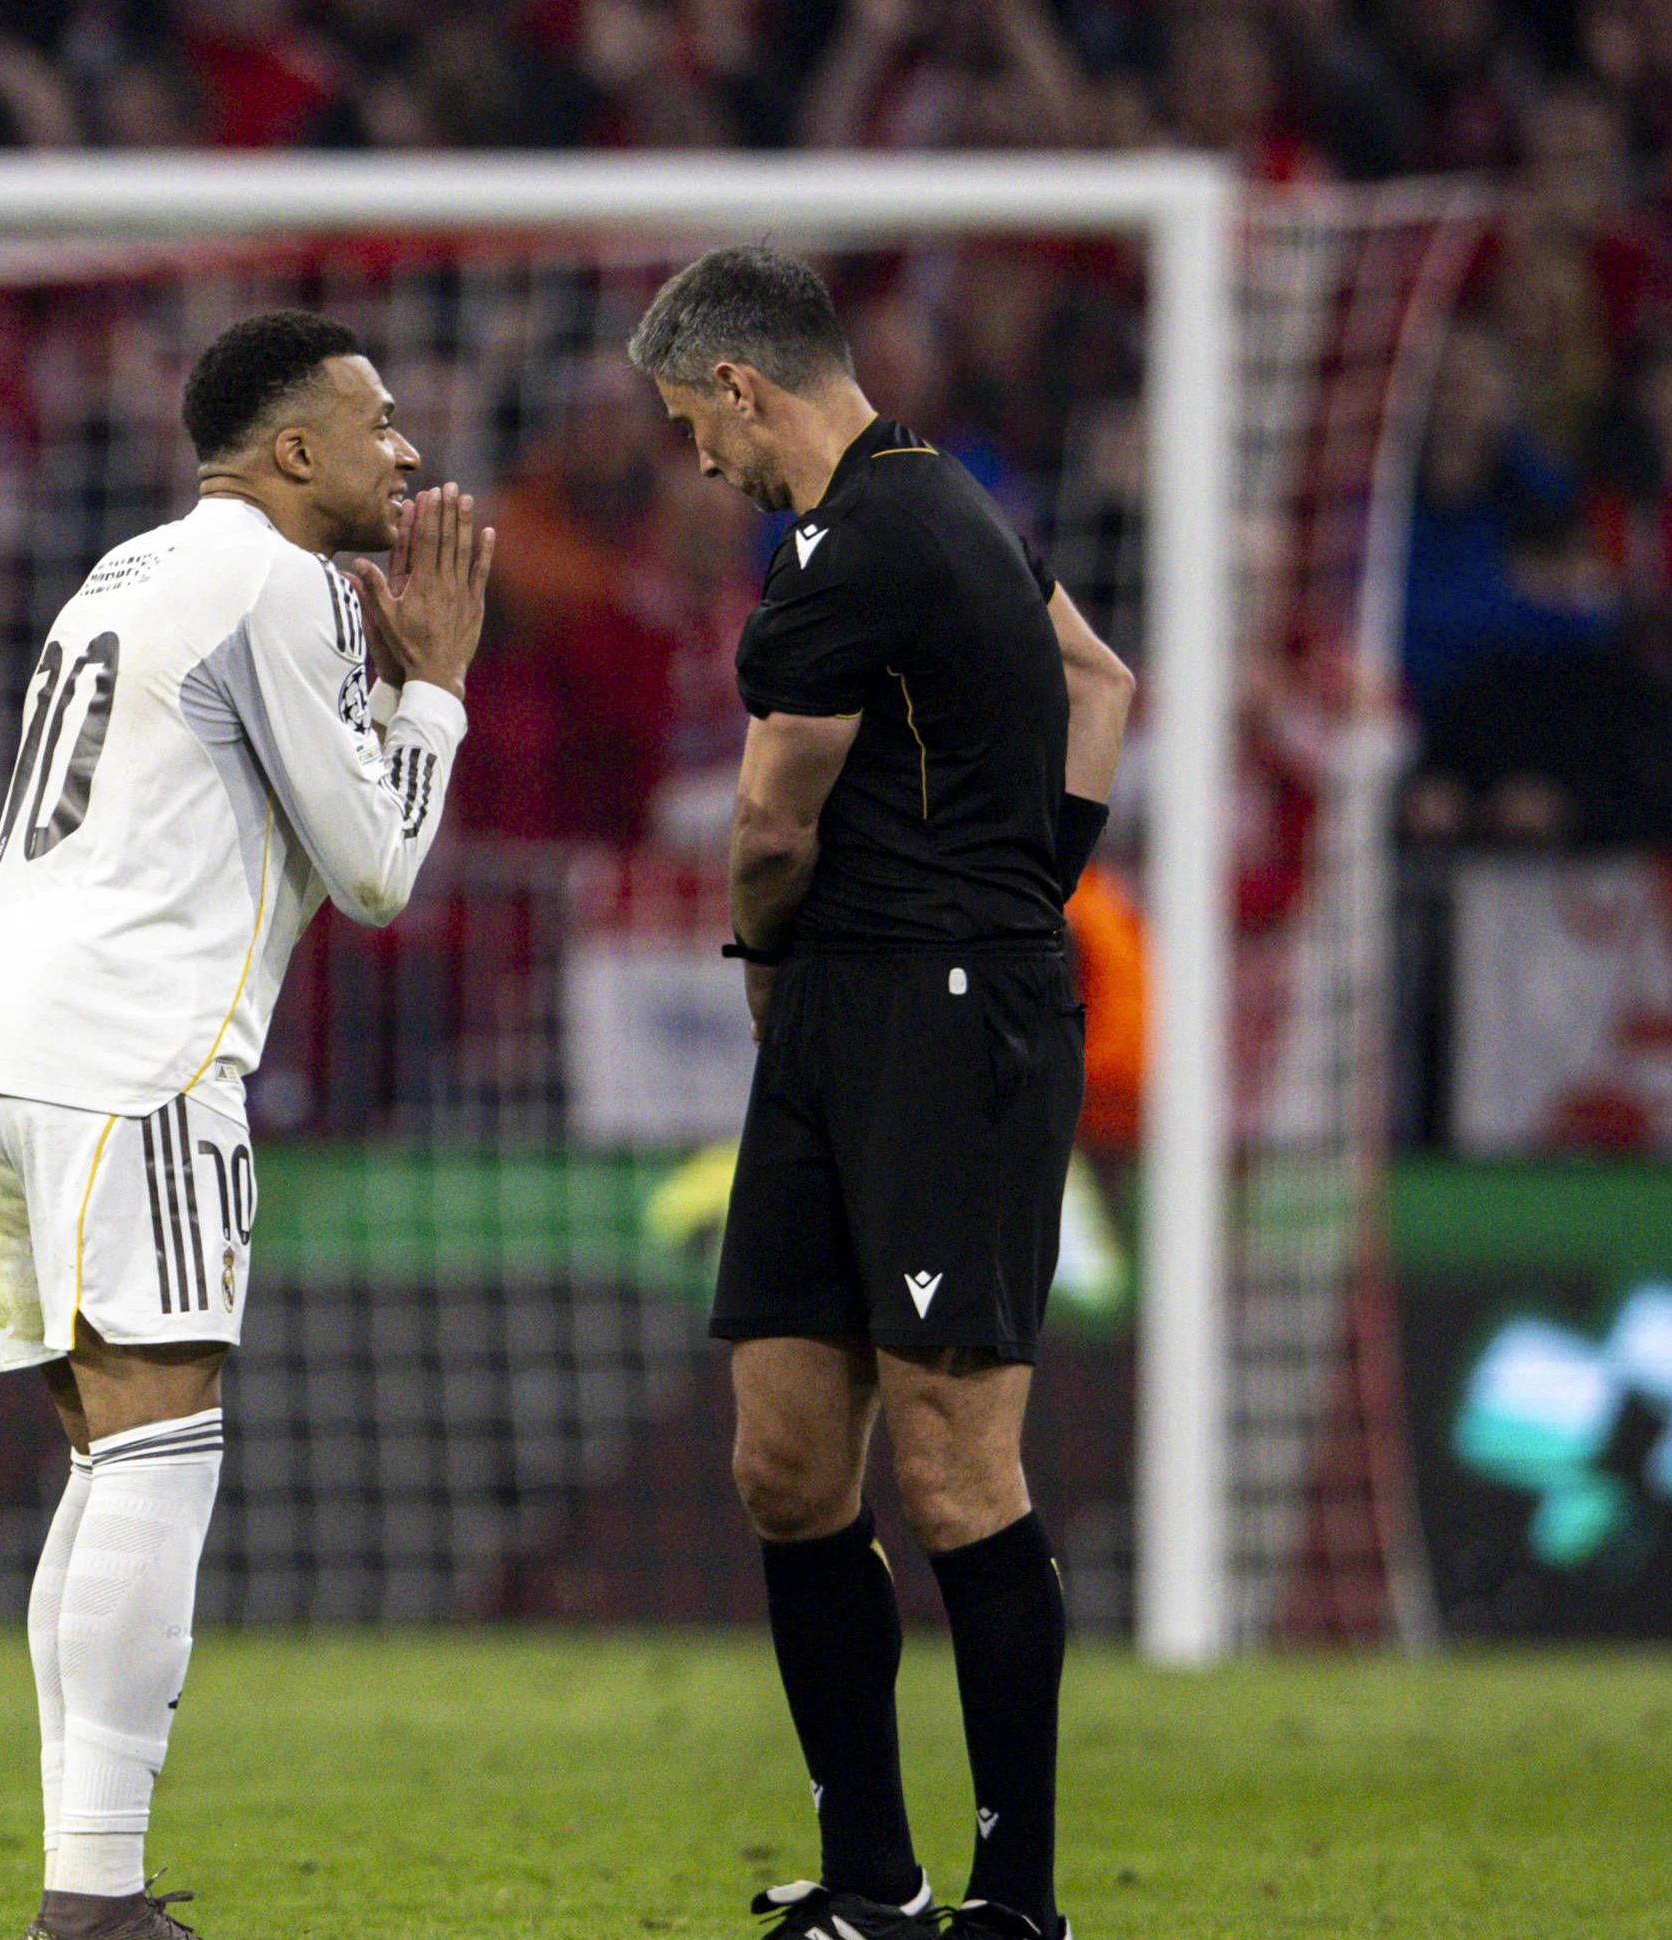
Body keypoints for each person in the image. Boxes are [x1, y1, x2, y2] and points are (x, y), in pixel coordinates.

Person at [0, 309, 488, 1940]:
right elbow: (379, 871)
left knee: (111, 1462)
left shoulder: (131, 570)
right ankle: (93, 1900)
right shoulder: (284, 580)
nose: (407, 452)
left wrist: (366, 687)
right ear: (291, 451)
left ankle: (84, 1880)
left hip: (1, 1036)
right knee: (163, 1453)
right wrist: (436, 689)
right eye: (378, 423)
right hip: (135, 1046)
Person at [626, 243, 1131, 1940]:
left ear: (744, 385)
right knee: (786, 1457)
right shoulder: (957, 503)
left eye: (695, 419)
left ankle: (1022, 1899)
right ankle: (871, 1879)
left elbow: (771, 826)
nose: (700, 457)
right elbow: (1100, 689)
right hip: (862, 1013)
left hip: (935, 1020)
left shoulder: (850, 543)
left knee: (957, 1465)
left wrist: (831, 934)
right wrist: (1032, 869)